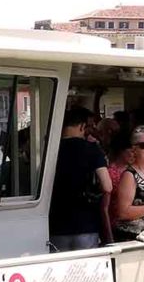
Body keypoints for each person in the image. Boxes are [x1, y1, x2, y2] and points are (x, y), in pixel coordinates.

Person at [48, 106, 112, 251]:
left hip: (56, 224)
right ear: (82, 126)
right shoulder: (92, 149)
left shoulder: (50, 150)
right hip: (86, 222)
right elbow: (107, 186)